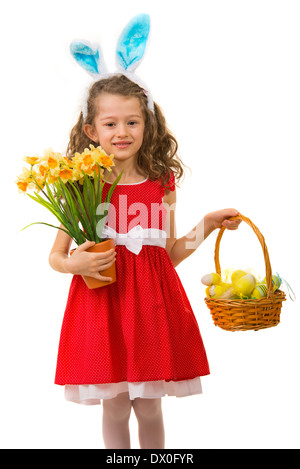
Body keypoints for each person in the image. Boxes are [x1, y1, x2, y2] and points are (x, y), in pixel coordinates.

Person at [49, 74, 240, 449]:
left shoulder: (160, 181)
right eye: (110, 123)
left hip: (152, 308)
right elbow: (56, 256)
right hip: (104, 307)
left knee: (150, 407)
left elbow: (167, 255)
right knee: (116, 407)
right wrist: (75, 265)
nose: (122, 132)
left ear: (147, 124)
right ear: (91, 130)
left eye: (132, 122)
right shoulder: (82, 183)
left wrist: (208, 225)